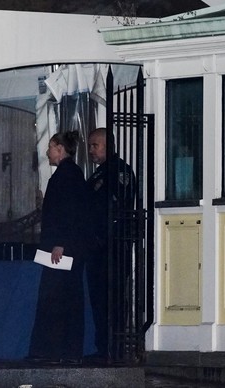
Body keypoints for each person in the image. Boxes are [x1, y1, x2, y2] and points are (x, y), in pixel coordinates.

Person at [27, 130, 94, 365]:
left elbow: (67, 213)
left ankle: (52, 349)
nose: (47, 152)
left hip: (61, 249)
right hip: (68, 248)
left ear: (60, 149)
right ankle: (66, 350)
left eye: (51, 147)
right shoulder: (72, 174)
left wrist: (60, 244)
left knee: (56, 298)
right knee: (66, 298)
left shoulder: (64, 176)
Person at [86, 127, 136, 360]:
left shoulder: (119, 172)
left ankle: (114, 349)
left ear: (109, 146)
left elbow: (115, 207)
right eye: (90, 146)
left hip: (113, 248)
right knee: (98, 299)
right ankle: (103, 347)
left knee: (113, 300)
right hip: (96, 249)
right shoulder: (99, 174)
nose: (91, 151)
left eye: (95, 145)